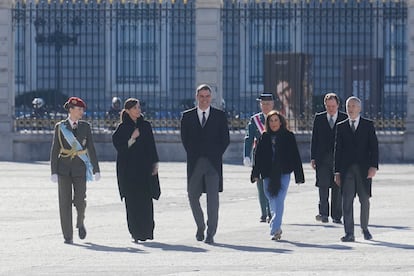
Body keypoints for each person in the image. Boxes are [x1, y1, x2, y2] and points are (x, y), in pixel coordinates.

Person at [180, 84, 230, 244]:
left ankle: (211, 232)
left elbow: (225, 139)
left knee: (213, 200)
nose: (204, 100)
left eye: (207, 96)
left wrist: (215, 154)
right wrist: (194, 153)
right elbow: (184, 139)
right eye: (201, 96)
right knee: (193, 196)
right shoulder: (187, 117)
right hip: (195, 162)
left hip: (213, 163)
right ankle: (200, 225)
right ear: (197, 97)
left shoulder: (220, 116)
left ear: (211, 98)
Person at [50, 96, 101, 244]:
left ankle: (80, 222)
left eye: (82, 109)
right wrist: (53, 171)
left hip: (80, 168)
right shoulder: (60, 127)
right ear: (71, 110)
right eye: (79, 109)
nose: (81, 112)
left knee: (80, 200)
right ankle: (67, 235)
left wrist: (96, 169)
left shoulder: (85, 126)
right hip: (63, 169)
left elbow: (91, 148)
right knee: (64, 202)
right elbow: (55, 150)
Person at [251, 110, 304, 241]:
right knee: (271, 198)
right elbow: (258, 157)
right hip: (268, 173)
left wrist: (299, 175)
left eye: (276, 120)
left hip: (284, 172)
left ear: (281, 122)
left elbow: (295, 156)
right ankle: (276, 225)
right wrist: (255, 173)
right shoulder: (264, 137)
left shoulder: (288, 136)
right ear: (268, 123)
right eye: (271, 121)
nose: (274, 123)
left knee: (279, 198)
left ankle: (275, 228)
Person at [112, 98, 159, 243]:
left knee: (146, 202)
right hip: (129, 172)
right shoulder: (122, 128)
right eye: (135, 108)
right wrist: (132, 138)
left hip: (144, 170)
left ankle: (147, 232)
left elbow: (151, 146)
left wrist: (155, 163)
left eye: (139, 107)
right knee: (132, 203)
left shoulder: (146, 126)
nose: (138, 110)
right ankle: (135, 233)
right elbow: (120, 148)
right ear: (128, 111)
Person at [334, 96, 379, 242]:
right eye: (348, 106)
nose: (351, 109)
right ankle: (349, 233)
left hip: (364, 169)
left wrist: (373, 166)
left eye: (353, 106)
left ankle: (365, 228)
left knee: (364, 200)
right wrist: (337, 172)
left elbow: (374, 148)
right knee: (346, 201)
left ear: (359, 108)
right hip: (346, 170)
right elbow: (338, 150)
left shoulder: (368, 125)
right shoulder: (341, 126)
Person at [310, 93, 348, 224]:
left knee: (337, 186)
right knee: (323, 185)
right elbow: (314, 139)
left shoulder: (344, 117)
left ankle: (337, 215)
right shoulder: (319, 118)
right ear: (325, 105)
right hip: (322, 159)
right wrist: (313, 158)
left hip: (340, 159)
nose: (331, 109)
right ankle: (323, 213)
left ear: (338, 105)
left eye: (333, 106)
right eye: (328, 106)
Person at [244, 93, 274, 223]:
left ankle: (271, 211)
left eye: (268, 104)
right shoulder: (255, 120)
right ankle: (264, 212)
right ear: (260, 105)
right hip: (259, 156)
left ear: (272, 104)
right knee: (261, 185)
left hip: (274, 156)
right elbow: (248, 138)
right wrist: (246, 155)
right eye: (263, 104)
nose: (266, 106)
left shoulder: (278, 118)